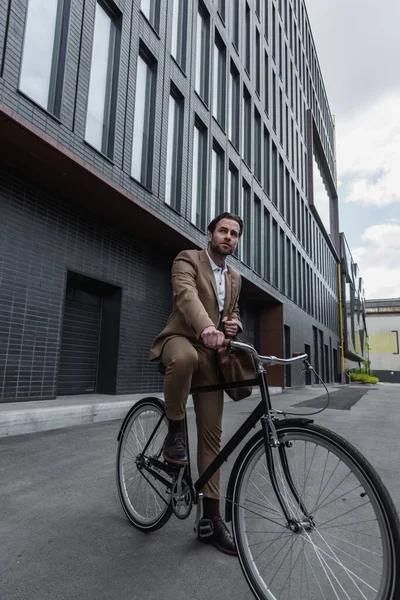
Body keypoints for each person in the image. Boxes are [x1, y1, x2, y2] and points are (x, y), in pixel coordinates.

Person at [150, 212, 244, 556]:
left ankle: (211, 521)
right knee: (184, 357)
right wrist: (207, 326)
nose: (228, 237)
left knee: (211, 438)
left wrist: (234, 325)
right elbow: (186, 296)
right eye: (223, 230)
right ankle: (174, 430)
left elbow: (233, 312)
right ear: (209, 234)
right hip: (182, 339)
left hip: (213, 356)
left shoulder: (234, 277)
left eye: (234, 233)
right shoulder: (187, 259)